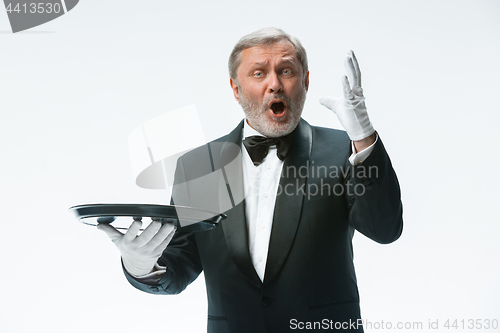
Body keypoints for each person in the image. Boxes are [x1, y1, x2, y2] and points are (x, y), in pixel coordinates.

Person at [98, 27, 403, 333]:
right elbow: (179, 268)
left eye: (286, 71)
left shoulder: (345, 151)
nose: (274, 84)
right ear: (235, 89)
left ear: (306, 82)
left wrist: (363, 137)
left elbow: (384, 228)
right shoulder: (200, 167)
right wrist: (141, 266)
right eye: (258, 74)